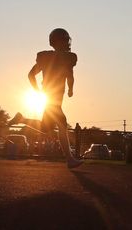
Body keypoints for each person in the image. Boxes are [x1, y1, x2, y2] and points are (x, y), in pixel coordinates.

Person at [9, 28, 83, 169]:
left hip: (51, 96)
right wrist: (70, 89)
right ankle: (70, 159)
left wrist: (69, 88)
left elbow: (32, 75)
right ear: (58, 41)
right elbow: (69, 75)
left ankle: (21, 119)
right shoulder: (63, 58)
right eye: (65, 40)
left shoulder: (57, 57)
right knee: (62, 123)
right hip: (51, 97)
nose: (68, 42)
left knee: (45, 128)